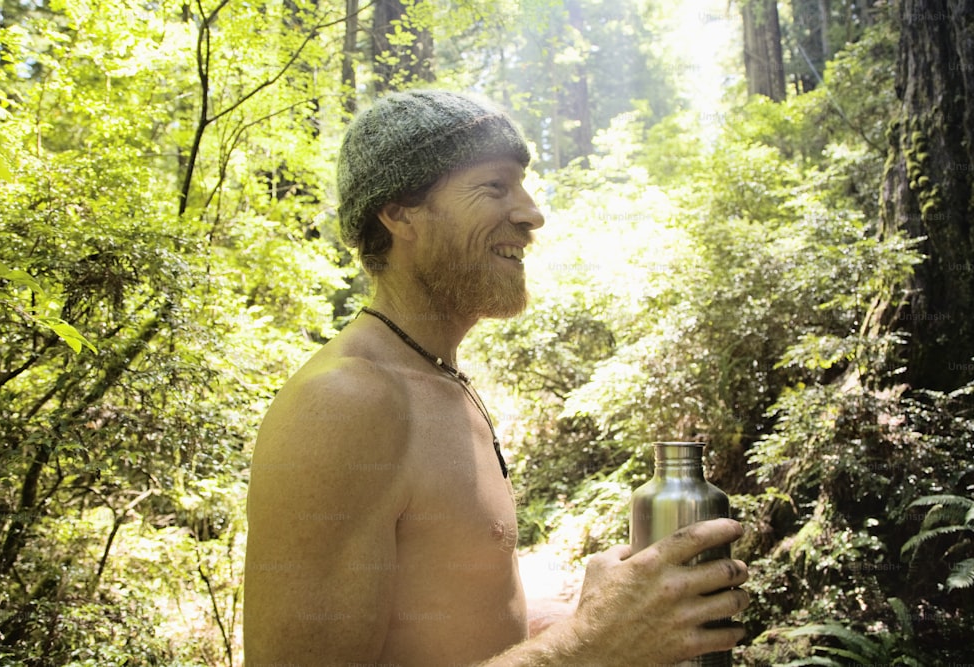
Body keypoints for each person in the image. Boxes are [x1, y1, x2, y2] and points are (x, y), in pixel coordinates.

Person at [243, 89, 749, 666]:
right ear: (399, 212)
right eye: (494, 186)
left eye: (523, 185)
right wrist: (589, 646)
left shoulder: (439, 378)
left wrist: (597, 614)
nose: (532, 213)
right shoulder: (344, 402)